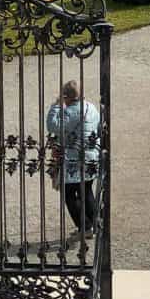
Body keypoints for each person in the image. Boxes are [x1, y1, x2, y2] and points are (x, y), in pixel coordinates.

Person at [46, 81, 101, 238]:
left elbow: (52, 125)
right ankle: (95, 225)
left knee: (69, 193)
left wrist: (57, 105)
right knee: (86, 190)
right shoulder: (91, 107)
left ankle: (85, 227)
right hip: (91, 155)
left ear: (66, 96)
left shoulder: (70, 111)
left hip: (74, 158)